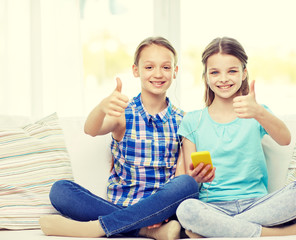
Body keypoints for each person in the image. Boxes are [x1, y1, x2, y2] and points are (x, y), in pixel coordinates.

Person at [39, 36, 199, 239]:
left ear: (175, 72)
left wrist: (166, 209)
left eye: (166, 67)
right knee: (60, 190)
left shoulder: (182, 120)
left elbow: (180, 176)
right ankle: (145, 230)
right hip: (119, 206)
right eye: (149, 67)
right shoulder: (124, 113)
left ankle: (99, 227)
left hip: (161, 210)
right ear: (136, 70)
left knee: (187, 184)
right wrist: (101, 108)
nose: (158, 74)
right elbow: (91, 129)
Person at [175, 37, 296, 238]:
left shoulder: (256, 112)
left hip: (258, 203)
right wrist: (195, 179)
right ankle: (278, 232)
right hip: (213, 207)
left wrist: (258, 112)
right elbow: (183, 181)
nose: (223, 78)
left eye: (232, 71)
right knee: (186, 209)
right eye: (215, 72)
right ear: (206, 77)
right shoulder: (192, 121)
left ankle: (220, 230)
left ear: (244, 73)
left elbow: (285, 139)